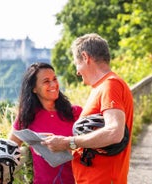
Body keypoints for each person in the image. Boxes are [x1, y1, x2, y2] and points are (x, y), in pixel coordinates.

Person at [41, 33, 134, 183]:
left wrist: (68, 142)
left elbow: (114, 132)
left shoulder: (110, 85)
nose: (77, 72)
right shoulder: (102, 87)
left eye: (77, 64)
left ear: (85, 57)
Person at [0, 62, 82, 184]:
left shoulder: (76, 112)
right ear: (34, 88)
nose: (53, 84)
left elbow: (92, 145)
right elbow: (10, 148)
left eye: (54, 79)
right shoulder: (27, 117)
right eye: (46, 81)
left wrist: (67, 146)